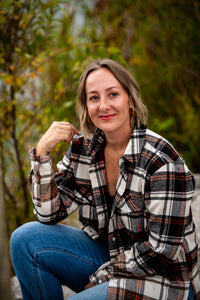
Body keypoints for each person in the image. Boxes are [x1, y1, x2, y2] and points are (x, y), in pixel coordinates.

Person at [10, 58, 200, 300]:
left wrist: (101, 277)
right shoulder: (83, 148)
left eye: (113, 94)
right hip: (112, 258)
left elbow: (161, 253)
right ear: (86, 107)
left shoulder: (162, 162)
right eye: (94, 98)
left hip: (165, 280)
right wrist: (41, 154)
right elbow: (48, 213)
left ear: (130, 100)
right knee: (24, 240)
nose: (103, 106)